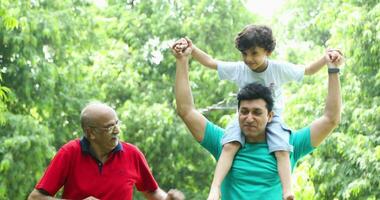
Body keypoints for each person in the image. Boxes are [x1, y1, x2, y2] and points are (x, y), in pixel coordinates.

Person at [172, 24, 342, 200]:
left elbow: (331, 118)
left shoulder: (289, 144)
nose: (249, 118)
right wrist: (182, 60)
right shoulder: (224, 142)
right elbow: (186, 110)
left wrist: (332, 68)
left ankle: (287, 190)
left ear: (269, 115)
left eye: (257, 112)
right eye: (244, 111)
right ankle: (214, 189)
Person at [27, 102, 185, 200]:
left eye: (117, 123)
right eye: (110, 127)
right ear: (91, 133)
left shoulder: (132, 154)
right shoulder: (69, 153)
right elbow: (35, 198)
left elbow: (151, 192)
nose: (117, 131)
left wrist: (167, 199)